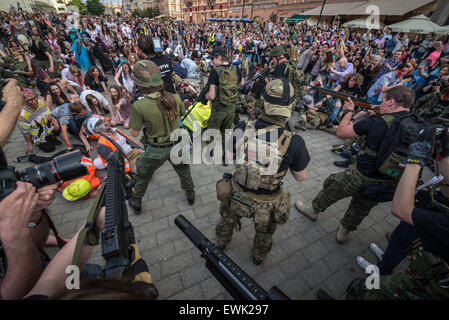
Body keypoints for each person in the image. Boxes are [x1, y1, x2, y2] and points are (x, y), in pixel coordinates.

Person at [295, 86, 415, 243]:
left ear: (391, 101)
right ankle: (344, 231)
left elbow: (342, 132)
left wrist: (349, 111)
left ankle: (313, 210)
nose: (381, 103)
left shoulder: (376, 122)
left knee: (332, 188)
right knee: (362, 208)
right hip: (388, 180)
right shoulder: (415, 124)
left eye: (384, 100)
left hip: (361, 174)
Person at [346, 127, 449, 299]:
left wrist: (414, 161)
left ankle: (376, 279)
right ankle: (384, 264)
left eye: (441, 154)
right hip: (422, 231)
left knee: (362, 292)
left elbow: (401, 209)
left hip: (430, 282)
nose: (435, 157)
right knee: (401, 239)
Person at [215, 78, 310, 265]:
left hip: (238, 195)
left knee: (227, 219)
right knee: (265, 232)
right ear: (290, 105)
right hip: (267, 203)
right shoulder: (295, 141)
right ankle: (259, 255)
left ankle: (221, 242)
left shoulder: (243, 127)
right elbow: (301, 177)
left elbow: (227, 157)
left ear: (263, 101)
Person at [128, 60, 195, 213]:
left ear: (141, 85)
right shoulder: (175, 98)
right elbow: (182, 116)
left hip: (155, 149)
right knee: (184, 171)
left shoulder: (140, 105)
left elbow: (134, 133)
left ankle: (137, 201)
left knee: (143, 174)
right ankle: (190, 194)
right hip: (176, 145)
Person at [205, 46, 243, 162]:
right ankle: (226, 158)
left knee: (211, 131)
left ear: (219, 57)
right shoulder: (235, 68)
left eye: (213, 59)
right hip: (231, 108)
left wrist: (206, 96)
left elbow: (212, 96)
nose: (212, 62)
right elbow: (242, 83)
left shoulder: (215, 71)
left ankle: (210, 152)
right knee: (226, 133)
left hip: (218, 109)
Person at [17, 88, 61, 154]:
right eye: (30, 100)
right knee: (50, 148)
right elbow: (25, 132)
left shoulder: (41, 102)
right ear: (23, 102)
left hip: (47, 127)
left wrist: (54, 120)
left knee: (58, 128)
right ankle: (38, 141)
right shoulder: (22, 115)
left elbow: (49, 115)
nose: (34, 101)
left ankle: (52, 137)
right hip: (38, 134)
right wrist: (29, 145)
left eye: (35, 98)